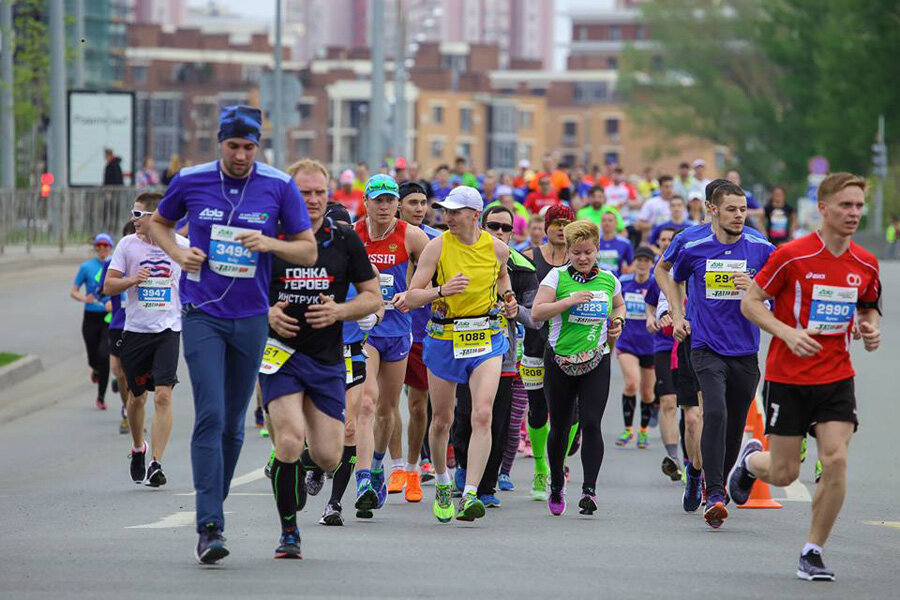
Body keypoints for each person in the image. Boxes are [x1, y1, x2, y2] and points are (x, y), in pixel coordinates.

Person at [148, 105, 317, 565]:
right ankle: (210, 526)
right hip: (202, 313)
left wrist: (269, 243)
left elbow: (307, 250)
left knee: (233, 424)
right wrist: (178, 254)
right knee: (210, 413)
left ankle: (213, 504)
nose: (240, 156)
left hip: (251, 317)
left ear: (258, 146)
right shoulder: (192, 180)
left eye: (248, 147)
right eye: (233, 146)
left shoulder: (278, 185)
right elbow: (159, 223)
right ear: (220, 143)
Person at [732, 173, 881, 581]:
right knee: (784, 473)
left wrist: (869, 328)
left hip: (836, 376)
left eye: (858, 206)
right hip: (789, 376)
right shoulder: (791, 256)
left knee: (835, 459)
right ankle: (750, 461)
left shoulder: (865, 263)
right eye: (845, 205)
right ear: (823, 207)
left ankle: (812, 551)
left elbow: (868, 306)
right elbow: (751, 302)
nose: (853, 213)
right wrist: (787, 332)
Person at [261, 158, 381, 559]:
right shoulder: (271, 236)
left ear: (328, 194)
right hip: (280, 354)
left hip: (327, 358)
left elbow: (372, 297)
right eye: (303, 193)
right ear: (289, 195)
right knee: (290, 438)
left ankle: (290, 466)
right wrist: (267, 312)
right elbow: (239, 292)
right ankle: (289, 532)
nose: (312, 200)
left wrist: (340, 311)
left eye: (319, 192)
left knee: (329, 456)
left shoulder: (344, 239)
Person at [660, 181, 775, 529]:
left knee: (734, 426)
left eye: (743, 210)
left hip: (745, 349)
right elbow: (667, 272)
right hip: (705, 345)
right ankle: (714, 494)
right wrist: (677, 315)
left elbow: (780, 290)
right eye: (731, 209)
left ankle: (703, 475)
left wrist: (757, 290)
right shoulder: (692, 243)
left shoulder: (760, 247)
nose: (739, 216)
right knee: (714, 412)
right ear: (712, 209)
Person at [406, 186, 517, 522]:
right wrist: (442, 290)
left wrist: (508, 299)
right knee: (442, 420)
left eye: (455, 212)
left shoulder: (497, 249)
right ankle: (443, 481)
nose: (448, 217)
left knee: (482, 414)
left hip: (486, 336)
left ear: (475, 215)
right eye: (446, 211)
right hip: (445, 337)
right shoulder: (437, 246)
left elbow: (502, 278)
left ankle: (470, 493)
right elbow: (413, 296)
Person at [531, 220, 625, 516]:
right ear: (568, 252)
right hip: (560, 361)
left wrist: (618, 321)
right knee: (560, 426)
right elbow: (537, 313)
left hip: (597, 359)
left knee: (592, 423)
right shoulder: (556, 277)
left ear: (597, 250)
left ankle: (589, 491)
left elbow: (618, 305)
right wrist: (568, 301)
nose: (583, 258)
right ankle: (557, 484)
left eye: (588, 252)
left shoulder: (609, 279)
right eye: (576, 253)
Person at [450, 206, 540, 508]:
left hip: (504, 355)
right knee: (465, 416)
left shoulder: (523, 268)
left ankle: (486, 486)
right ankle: (464, 467)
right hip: (466, 349)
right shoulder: (462, 256)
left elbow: (535, 317)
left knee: (496, 421)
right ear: (481, 225)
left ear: (512, 234)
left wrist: (516, 311)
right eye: (494, 226)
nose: (499, 232)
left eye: (505, 228)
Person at [352, 174, 430, 519]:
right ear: (366, 202)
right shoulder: (352, 234)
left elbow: (437, 272)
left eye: (389, 200)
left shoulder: (412, 235)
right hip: (365, 330)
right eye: (377, 200)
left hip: (399, 331)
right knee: (367, 403)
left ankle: (378, 466)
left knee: (386, 409)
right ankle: (363, 480)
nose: (384, 206)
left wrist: (415, 294)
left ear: (397, 203)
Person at [104, 192, 187, 488]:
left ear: (156, 216)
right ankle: (139, 447)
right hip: (136, 330)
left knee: (163, 395)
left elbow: (200, 280)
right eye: (133, 213)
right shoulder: (127, 245)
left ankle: (156, 463)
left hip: (168, 329)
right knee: (137, 398)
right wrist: (132, 279)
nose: (133, 219)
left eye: (139, 214)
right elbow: (108, 286)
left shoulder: (181, 245)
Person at [386, 181, 441, 502]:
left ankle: (412, 467)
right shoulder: (384, 236)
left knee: (419, 406)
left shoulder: (436, 240)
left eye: (423, 203)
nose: (419, 208)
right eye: (412, 203)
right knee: (386, 404)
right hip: (388, 330)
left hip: (423, 332)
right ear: (398, 206)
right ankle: (394, 466)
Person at [521, 205, 575, 500]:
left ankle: (558, 466)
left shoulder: (580, 258)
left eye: (566, 223)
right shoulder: (529, 258)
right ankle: (541, 466)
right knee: (538, 410)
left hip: (570, 346)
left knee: (571, 411)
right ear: (546, 227)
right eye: (556, 223)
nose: (561, 229)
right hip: (534, 344)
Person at [613, 246, 657, 449]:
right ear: (634, 262)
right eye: (639, 259)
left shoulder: (656, 284)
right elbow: (614, 306)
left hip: (650, 345)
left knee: (648, 393)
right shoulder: (623, 282)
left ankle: (643, 431)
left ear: (651, 263)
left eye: (646, 260)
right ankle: (628, 429)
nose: (642, 263)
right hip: (627, 343)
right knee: (631, 383)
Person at [99, 221, 136, 434]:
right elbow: (102, 289)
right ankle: (127, 409)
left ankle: (136, 411)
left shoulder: (150, 261)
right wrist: (106, 301)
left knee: (137, 375)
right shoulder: (111, 264)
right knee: (120, 373)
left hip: (140, 326)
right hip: (118, 324)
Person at [71, 233, 113, 410]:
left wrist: (115, 303)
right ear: (95, 248)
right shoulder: (86, 267)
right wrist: (84, 298)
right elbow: (73, 291)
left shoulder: (115, 265)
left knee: (104, 356)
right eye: (99, 246)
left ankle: (101, 397)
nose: (102, 249)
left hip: (108, 319)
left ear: (110, 248)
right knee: (93, 356)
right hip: (90, 318)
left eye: (105, 246)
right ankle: (94, 368)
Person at [638, 175, 674, 243]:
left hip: (672, 240)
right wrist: (656, 225)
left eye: (671, 186)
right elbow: (639, 224)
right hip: (654, 240)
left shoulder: (677, 203)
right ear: (660, 188)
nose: (669, 190)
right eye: (666, 187)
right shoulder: (651, 203)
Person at [597, 211, 634, 277]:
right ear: (600, 223)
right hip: (598, 279)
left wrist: (627, 271)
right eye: (604, 220)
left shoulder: (625, 243)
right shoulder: (594, 242)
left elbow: (632, 264)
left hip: (617, 279)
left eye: (610, 220)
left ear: (616, 223)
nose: (607, 223)